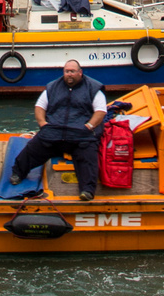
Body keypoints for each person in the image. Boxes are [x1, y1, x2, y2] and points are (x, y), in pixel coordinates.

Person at [9, 60, 105, 201]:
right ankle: (18, 173)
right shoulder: (53, 87)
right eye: (67, 71)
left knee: (88, 158)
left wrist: (89, 126)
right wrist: (42, 123)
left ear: (80, 72)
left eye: (72, 71)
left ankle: (87, 190)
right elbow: (39, 106)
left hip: (81, 135)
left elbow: (101, 111)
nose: (69, 74)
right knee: (32, 149)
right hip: (54, 133)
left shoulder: (93, 88)